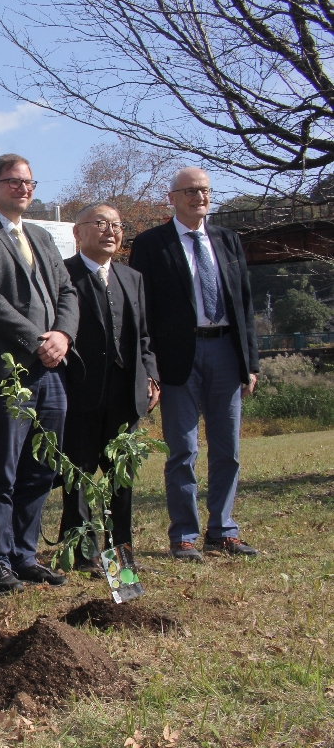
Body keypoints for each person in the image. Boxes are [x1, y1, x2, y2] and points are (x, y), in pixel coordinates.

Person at [0, 153, 79, 596]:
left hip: (51, 372)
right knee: (2, 473)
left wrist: (62, 335)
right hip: (8, 372)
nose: (24, 188)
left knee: (42, 468)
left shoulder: (42, 236)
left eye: (28, 181)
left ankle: (26, 556)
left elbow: (66, 290)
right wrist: (37, 340)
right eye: (13, 182)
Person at [129, 167, 260, 561]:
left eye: (203, 190)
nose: (198, 197)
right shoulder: (152, 244)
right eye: (189, 191)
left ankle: (223, 530)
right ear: (172, 198)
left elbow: (245, 305)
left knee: (228, 448)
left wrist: (249, 362)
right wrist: (148, 367)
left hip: (225, 352)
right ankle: (184, 535)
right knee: (182, 450)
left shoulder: (228, 240)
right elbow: (141, 309)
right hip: (176, 360)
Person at [58, 203, 159, 569]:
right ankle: (81, 556)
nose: (111, 231)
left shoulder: (132, 278)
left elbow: (143, 337)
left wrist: (152, 376)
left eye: (117, 225)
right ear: (78, 232)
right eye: (100, 223)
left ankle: (121, 559)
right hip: (79, 393)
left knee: (121, 479)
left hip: (125, 395)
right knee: (79, 476)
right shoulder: (61, 276)